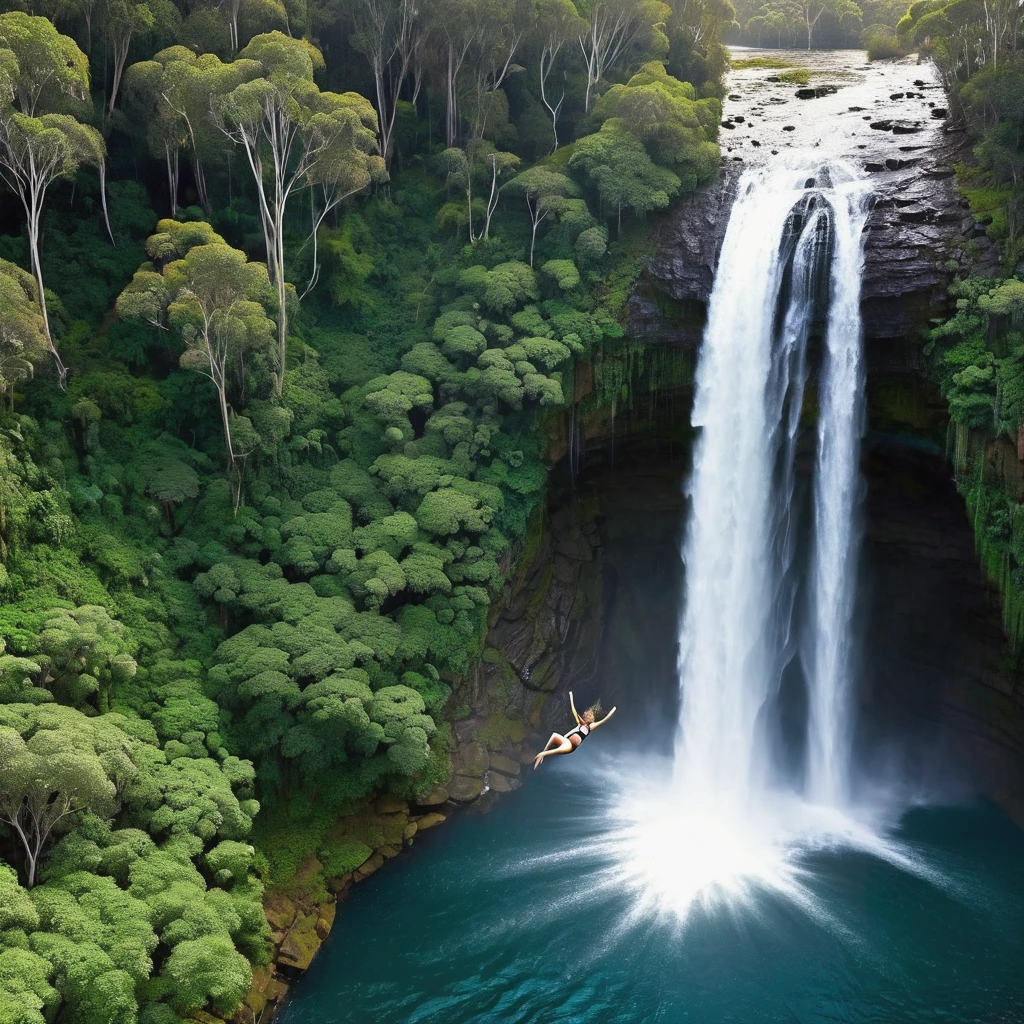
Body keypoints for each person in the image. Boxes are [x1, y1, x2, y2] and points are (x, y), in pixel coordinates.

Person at [533, 690, 617, 769]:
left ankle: (542, 754)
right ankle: (543, 753)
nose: (590, 717)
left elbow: (604, 720)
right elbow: (573, 710)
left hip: (570, 746)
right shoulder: (580, 723)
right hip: (565, 741)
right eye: (589, 715)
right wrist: (571, 696)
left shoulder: (590, 727)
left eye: (591, 716)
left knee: (545, 752)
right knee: (554, 735)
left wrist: (612, 711)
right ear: (586, 716)